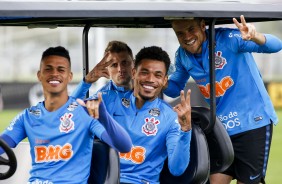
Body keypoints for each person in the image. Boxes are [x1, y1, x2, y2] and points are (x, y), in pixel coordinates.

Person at [163, 15, 282, 184]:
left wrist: (256, 36)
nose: (187, 37)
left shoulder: (228, 39)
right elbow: (175, 88)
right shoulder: (182, 55)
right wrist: (159, 81)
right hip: (221, 128)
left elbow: (276, 45)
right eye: (180, 33)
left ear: (203, 25)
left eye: (191, 29)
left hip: (252, 122)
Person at [0, 46, 132, 184]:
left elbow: (125, 146)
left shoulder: (84, 112)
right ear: (39, 75)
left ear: (69, 76)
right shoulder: (27, 116)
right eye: (48, 69)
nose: (54, 74)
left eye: (61, 70)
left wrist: (104, 116)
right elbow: (3, 143)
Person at [75, 46, 192, 184]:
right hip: (103, 179)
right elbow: (66, 116)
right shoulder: (109, 99)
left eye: (158, 75)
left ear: (165, 80)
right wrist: (86, 82)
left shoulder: (170, 117)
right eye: (144, 72)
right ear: (134, 72)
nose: (150, 79)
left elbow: (177, 169)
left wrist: (186, 129)